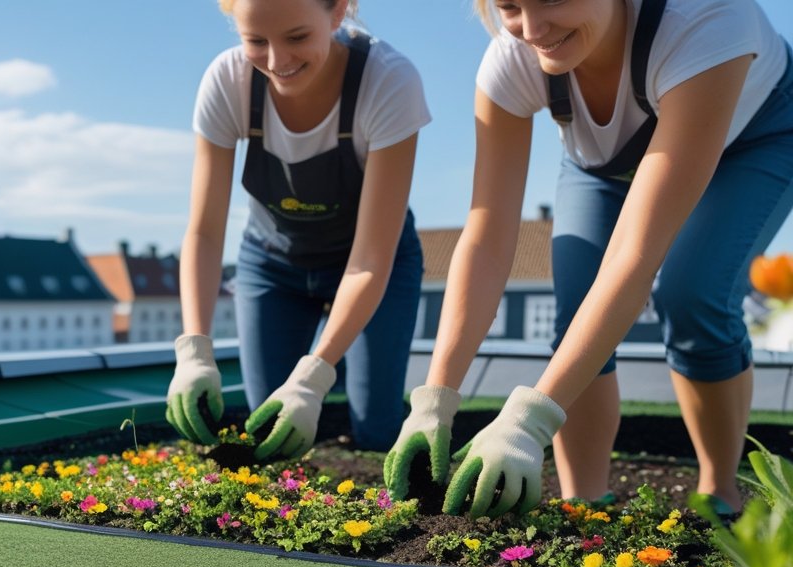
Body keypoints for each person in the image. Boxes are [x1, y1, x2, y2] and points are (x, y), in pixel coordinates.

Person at [384, 0, 793, 518]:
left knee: (693, 292)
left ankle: (720, 493)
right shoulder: (511, 58)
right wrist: (435, 397)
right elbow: (487, 237)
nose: (533, 29)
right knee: (578, 308)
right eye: (510, 6)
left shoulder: (708, 20)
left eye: (553, 0)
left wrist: (528, 419)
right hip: (602, 162)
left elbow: (634, 254)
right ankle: (584, 506)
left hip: (752, 142)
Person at [164, 0, 430, 460]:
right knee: (271, 429)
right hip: (271, 265)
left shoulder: (387, 81)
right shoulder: (227, 82)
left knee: (376, 427)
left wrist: (315, 376)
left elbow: (370, 258)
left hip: (370, 265)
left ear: (337, 13)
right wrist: (193, 349)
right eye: (255, 41)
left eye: (297, 37)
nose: (277, 61)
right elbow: (205, 232)